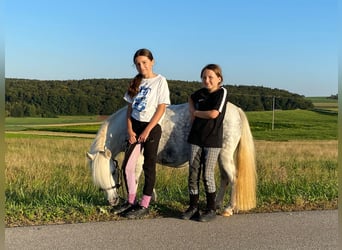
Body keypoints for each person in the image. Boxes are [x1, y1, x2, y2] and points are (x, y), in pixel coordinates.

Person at [113, 48, 170, 219]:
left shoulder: (160, 81)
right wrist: (130, 130)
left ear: (152, 62)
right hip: (135, 127)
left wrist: (147, 130)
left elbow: (161, 108)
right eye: (138, 64)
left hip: (151, 128)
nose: (141, 66)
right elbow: (129, 109)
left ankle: (144, 204)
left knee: (148, 166)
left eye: (144, 62)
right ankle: (131, 201)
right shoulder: (135, 82)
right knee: (128, 167)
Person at [181, 64, 228, 222]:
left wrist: (196, 113)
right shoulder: (200, 93)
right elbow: (190, 98)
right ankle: (193, 207)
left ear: (219, 79)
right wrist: (191, 109)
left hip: (212, 140)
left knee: (207, 174)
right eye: (204, 77)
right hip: (195, 138)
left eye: (210, 77)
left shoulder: (222, 92)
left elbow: (214, 114)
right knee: (192, 174)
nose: (207, 80)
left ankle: (210, 208)